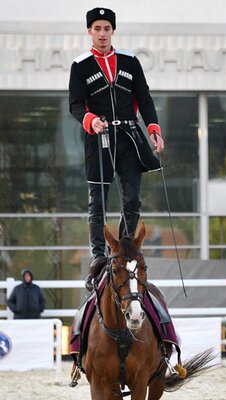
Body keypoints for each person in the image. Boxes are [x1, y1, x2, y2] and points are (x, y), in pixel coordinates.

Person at [69, 7, 164, 291]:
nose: (102, 34)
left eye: (107, 29)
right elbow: (75, 104)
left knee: (132, 199)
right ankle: (99, 255)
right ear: (89, 31)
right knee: (97, 202)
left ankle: (125, 247)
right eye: (97, 28)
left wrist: (154, 129)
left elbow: (144, 99)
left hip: (128, 138)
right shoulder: (80, 65)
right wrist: (90, 120)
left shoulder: (130, 61)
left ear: (113, 31)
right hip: (98, 139)